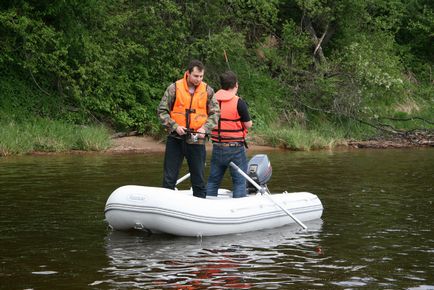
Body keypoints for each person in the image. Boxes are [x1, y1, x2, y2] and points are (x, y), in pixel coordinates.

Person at [157, 60, 220, 198]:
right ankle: (165, 205)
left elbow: (215, 113)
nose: (198, 79)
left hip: (197, 140)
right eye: (196, 76)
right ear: (188, 73)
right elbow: (162, 111)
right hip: (176, 139)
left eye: (201, 76)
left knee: (198, 179)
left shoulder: (208, 91)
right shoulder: (174, 88)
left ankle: (200, 208)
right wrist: (174, 126)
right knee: (169, 178)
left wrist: (205, 128)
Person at [206, 71, 253, 198]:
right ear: (236, 85)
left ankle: (207, 205)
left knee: (213, 180)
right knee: (239, 181)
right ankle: (239, 211)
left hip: (217, 146)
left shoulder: (212, 100)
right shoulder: (239, 102)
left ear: (221, 85)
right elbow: (248, 125)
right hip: (235, 148)